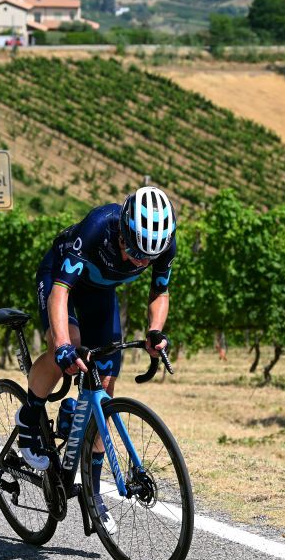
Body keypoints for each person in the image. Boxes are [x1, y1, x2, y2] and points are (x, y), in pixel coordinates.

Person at [18, 186, 176, 533]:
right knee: (68, 350)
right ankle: (29, 415)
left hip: (101, 293)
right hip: (61, 279)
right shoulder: (97, 228)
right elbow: (60, 292)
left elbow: (160, 292)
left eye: (148, 257)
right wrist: (62, 345)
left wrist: (155, 330)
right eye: (135, 251)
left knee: (105, 385)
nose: (139, 262)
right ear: (123, 229)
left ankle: (92, 490)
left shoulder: (162, 244)